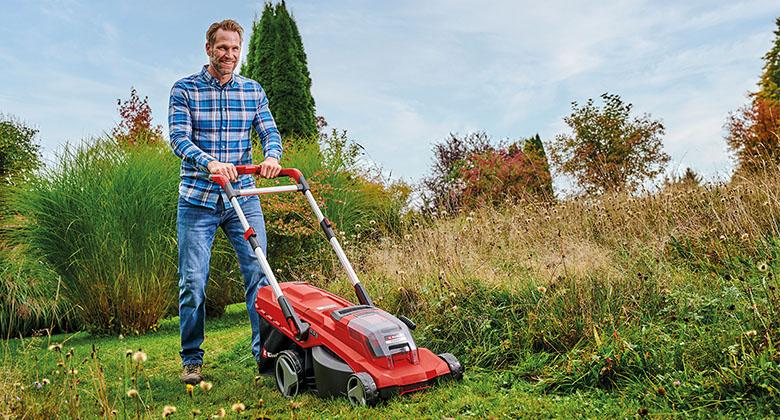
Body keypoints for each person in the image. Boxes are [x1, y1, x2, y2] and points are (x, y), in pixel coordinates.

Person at [168, 19, 282, 385]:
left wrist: (272, 156)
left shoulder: (253, 90)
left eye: (234, 48)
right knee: (193, 282)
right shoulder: (184, 90)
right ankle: (192, 359)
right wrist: (209, 162)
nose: (228, 54)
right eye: (222, 48)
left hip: (243, 198)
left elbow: (268, 131)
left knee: (259, 276)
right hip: (198, 199)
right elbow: (179, 139)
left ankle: (264, 356)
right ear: (208, 49)